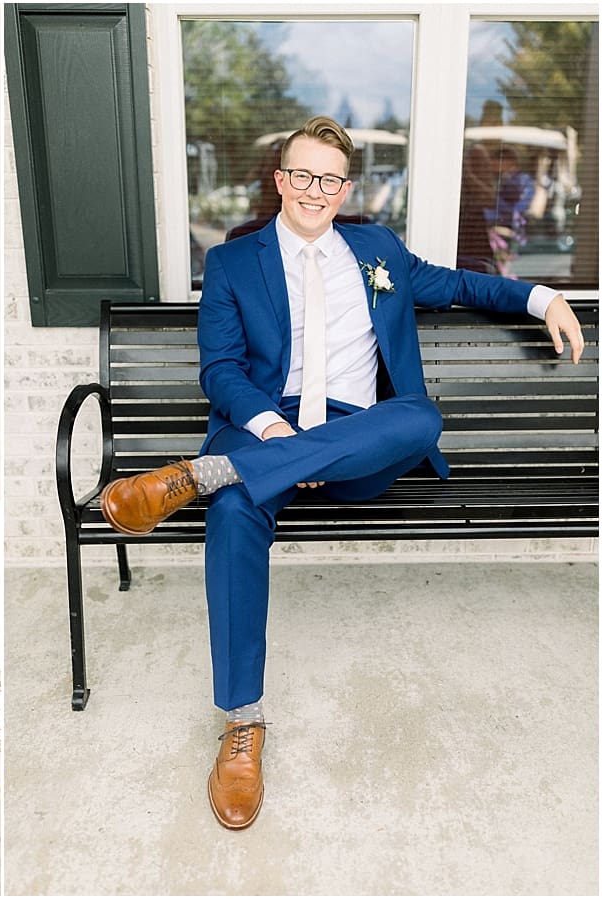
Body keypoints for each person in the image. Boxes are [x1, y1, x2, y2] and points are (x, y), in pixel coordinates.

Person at [98, 116, 584, 831]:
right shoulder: (232, 263)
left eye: (329, 179)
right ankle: (242, 722)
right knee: (234, 513)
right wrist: (275, 432)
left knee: (419, 418)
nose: (314, 190)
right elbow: (221, 371)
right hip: (264, 424)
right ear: (280, 180)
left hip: (356, 439)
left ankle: (205, 474)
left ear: (346, 189)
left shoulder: (377, 250)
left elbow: (459, 285)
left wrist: (543, 298)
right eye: (301, 175)